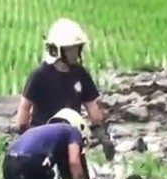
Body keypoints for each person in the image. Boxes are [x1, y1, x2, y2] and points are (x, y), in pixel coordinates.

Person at [15, 18, 115, 162]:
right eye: (71, 49)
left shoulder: (81, 74)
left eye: (77, 48)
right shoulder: (40, 75)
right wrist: (24, 136)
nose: (75, 52)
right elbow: (24, 108)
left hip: (70, 138)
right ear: (57, 50)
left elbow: (93, 107)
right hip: (43, 137)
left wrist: (103, 136)